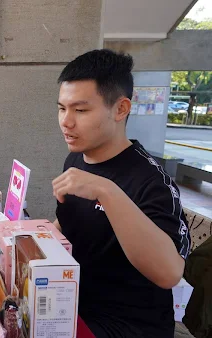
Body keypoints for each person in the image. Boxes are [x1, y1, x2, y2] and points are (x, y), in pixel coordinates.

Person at [53, 49, 190, 338]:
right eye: (62, 108)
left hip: (127, 326)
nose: (66, 121)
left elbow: (169, 273)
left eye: (80, 110)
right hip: (70, 305)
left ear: (120, 109)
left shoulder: (152, 182)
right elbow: (67, 226)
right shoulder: (76, 160)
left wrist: (106, 191)